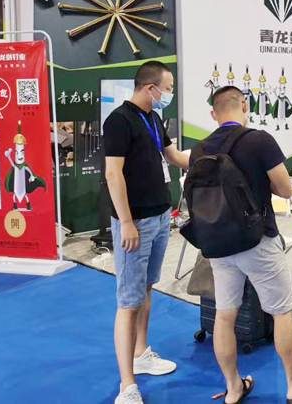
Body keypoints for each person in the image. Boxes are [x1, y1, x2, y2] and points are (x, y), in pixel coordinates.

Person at [197, 86, 292, 404]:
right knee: (281, 313)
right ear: (244, 106)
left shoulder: (201, 148)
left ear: (213, 114)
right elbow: (285, 189)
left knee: (225, 316)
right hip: (258, 241)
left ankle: (233, 389)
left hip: (219, 244)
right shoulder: (259, 140)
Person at [104, 61, 191, 404]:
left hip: (159, 216)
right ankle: (127, 386)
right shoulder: (119, 121)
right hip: (135, 222)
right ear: (150, 87)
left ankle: (140, 354)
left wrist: (216, 149)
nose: (170, 93)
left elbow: (175, 157)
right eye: (168, 88)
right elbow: (113, 174)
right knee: (128, 301)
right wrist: (126, 221)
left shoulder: (153, 118)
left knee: (146, 288)